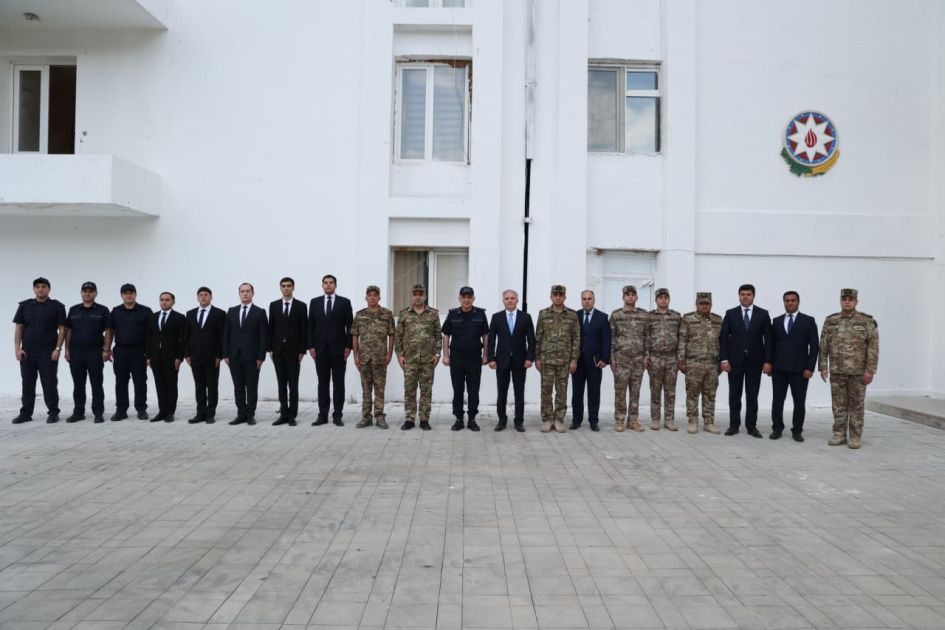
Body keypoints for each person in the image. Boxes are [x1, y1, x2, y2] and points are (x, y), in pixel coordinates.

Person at [819, 288, 879, 449]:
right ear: (840, 301)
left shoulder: (866, 321)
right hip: (837, 370)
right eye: (844, 299)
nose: (847, 302)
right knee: (838, 405)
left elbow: (873, 347)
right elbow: (823, 345)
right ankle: (839, 434)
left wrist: (870, 370)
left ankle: (854, 436)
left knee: (856, 405)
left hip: (858, 372)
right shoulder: (831, 321)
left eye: (850, 299)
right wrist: (823, 366)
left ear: (856, 301)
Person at [719, 284, 772, 437]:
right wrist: (724, 359)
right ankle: (734, 425)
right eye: (742, 294)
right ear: (739, 296)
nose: (745, 297)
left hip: (755, 361)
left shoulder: (763, 314)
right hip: (734, 361)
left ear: (753, 296)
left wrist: (768, 361)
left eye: (748, 294)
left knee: (752, 395)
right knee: (734, 395)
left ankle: (751, 426)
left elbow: (768, 339)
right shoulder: (731, 313)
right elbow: (723, 338)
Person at [12, 277, 66, 424]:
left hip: (48, 352)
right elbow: (19, 327)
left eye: (44, 286)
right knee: (27, 384)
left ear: (49, 289)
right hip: (27, 352)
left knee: (49, 383)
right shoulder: (25, 306)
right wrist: (17, 348)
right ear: (34, 289)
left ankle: (53, 412)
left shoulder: (57, 306)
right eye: (38, 287)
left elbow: (62, 329)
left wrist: (58, 349)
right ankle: (26, 413)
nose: (41, 289)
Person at [769, 291, 819, 442]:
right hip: (779, 369)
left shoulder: (808, 321)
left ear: (798, 302)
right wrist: (769, 363)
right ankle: (777, 428)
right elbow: (771, 345)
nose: (790, 303)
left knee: (799, 402)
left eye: (793, 300)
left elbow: (814, 346)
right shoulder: (776, 321)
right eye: (787, 300)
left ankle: (797, 430)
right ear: (784, 302)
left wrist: (810, 367)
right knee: (777, 401)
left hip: (800, 370)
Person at [442, 286, 489, 431]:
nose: (467, 300)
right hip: (457, 357)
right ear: (459, 298)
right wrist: (445, 355)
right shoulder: (452, 314)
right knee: (458, 389)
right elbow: (446, 335)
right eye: (464, 297)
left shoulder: (480, 314)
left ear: (473, 298)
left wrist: (485, 355)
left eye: (469, 297)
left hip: (474, 357)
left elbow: (485, 335)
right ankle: (459, 418)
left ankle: (472, 419)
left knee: (473, 390)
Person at [308, 274, 353, 426]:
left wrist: (348, 346)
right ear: (322, 285)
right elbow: (310, 325)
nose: (328, 285)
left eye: (331, 283)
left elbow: (350, 326)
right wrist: (311, 346)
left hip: (339, 350)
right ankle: (322, 415)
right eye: (325, 283)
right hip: (320, 350)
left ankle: (337, 415)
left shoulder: (344, 302)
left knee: (338, 383)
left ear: (335, 285)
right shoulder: (315, 302)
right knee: (323, 383)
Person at [487, 289, 534, 432]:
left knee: (519, 392)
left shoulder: (525, 317)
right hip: (501, 360)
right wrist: (491, 358)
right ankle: (502, 420)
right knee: (502, 392)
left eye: (512, 298)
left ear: (517, 300)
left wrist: (530, 358)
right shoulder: (497, 317)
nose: (509, 300)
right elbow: (491, 340)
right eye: (507, 298)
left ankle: (519, 421)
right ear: (503, 301)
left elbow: (531, 340)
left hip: (520, 361)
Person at [63, 281, 111, 423]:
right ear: (81, 293)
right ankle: (78, 412)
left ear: (95, 293)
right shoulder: (73, 310)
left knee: (96, 383)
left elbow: (108, 331)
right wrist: (66, 349)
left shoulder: (103, 310)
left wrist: (106, 349)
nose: (88, 293)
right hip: (76, 352)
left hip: (95, 352)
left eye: (91, 291)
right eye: (85, 291)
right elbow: (68, 331)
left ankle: (98, 413)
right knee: (78, 384)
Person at [395, 284, 441, 430]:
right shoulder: (404, 314)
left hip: (428, 360)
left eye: (420, 294)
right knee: (409, 390)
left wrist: (437, 354)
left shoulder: (433, 314)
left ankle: (424, 419)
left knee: (426, 391)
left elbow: (438, 335)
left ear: (425, 296)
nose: (418, 297)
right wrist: (399, 355)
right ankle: (409, 419)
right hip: (409, 360)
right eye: (415, 294)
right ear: (411, 296)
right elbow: (398, 336)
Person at [535, 285, 580, 433]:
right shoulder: (543, 314)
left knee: (562, 392)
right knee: (546, 391)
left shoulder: (572, 315)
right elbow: (538, 337)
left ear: (565, 297)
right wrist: (537, 358)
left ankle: (559, 419)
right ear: (551, 297)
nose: (558, 297)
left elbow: (576, 339)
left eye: (561, 295)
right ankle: (547, 419)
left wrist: (574, 360)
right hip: (546, 360)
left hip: (564, 361)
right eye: (555, 295)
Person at [677, 293, 723, 435]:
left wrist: (722, 361)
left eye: (706, 303)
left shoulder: (717, 320)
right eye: (701, 303)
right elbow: (682, 340)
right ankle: (692, 421)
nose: (704, 306)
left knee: (710, 394)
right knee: (692, 394)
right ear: (696, 304)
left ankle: (709, 422)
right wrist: (681, 360)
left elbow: (722, 342)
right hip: (693, 363)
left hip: (712, 364)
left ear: (711, 304)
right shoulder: (688, 319)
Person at [223, 283, 268, 425]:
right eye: (242, 291)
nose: (245, 293)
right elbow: (226, 334)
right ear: (239, 294)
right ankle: (241, 414)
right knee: (238, 386)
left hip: (252, 356)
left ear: (253, 293)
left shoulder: (260, 312)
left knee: (252, 387)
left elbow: (263, 336)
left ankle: (250, 415)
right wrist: (225, 354)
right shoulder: (231, 311)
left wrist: (261, 356)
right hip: (234, 355)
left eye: (248, 291)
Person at [352, 285, 395, 429]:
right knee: (366, 390)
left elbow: (391, 335)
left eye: (375, 295)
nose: (372, 298)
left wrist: (389, 353)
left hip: (380, 358)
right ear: (366, 297)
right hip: (364, 358)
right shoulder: (359, 315)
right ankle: (366, 417)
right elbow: (355, 335)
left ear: (379, 298)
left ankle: (380, 417)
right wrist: (355, 355)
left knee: (379, 389)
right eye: (369, 295)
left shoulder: (387, 314)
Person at [108, 284, 152, 421]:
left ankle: (141, 409)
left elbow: (151, 334)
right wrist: (107, 349)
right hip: (121, 351)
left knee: (140, 381)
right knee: (120, 381)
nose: (128, 295)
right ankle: (121, 410)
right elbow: (110, 331)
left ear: (135, 294)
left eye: (131, 293)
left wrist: (149, 354)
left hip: (139, 351)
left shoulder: (145, 311)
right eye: (125, 293)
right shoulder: (115, 311)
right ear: (121, 295)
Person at [269, 277, 308, 426]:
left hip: (294, 352)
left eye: (289, 286)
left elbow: (304, 329)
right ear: (280, 288)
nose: (286, 288)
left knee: (293, 384)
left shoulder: (301, 306)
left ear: (293, 287)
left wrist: (302, 350)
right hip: (278, 351)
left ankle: (292, 415)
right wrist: (270, 349)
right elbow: (271, 327)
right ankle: (283, 414)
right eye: (283, 286)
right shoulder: (274, 305)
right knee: (281, 384)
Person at [609, 285, 648, 432]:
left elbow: (647, 337)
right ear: (623, 297)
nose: (630, 297)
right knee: (620, 391)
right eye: (627, 294)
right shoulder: (616, 315)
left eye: (633, 294)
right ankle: (619, 419)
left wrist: (646, 356)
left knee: (635, 391)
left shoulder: (643, 315)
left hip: (638, 360)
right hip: (621, 360)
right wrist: (611, 357)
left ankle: (633, 420)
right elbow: (611, 338)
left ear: (636, 297)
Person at [570, 290, 610, 431]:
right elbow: (571, 338)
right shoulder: (575, 316)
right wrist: (571, 359)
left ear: (594, 300)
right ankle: (576, 420)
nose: (587, 301)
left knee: (594, 393)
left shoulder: (602, 317)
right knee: (577, 393)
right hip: (578, 362)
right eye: (584, 299)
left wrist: (605, 359)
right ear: (581, 300)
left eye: (589, 298)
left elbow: (606, 340)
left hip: (595, 362)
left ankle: (593, 421)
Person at [184, 287, 225, 424]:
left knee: (212, 386)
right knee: (199, 386)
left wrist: (219, 355)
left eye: (206, 295)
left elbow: (221, 336)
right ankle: (200, 413)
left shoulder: (219, 313)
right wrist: (187, 354)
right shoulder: (190, 314)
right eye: (200, 295)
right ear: (197, 297)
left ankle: (210, 413)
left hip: (212, 357)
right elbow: (187, 335)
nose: (203, 297)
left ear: (211, 297)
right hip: (195, 356)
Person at [145, 291, 187, 422]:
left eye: (167, 300)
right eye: (162, 300)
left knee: (171, 384)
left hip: (172, 357)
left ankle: (170, 412)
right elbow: (148, 337)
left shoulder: (179, 318)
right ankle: (162, 411)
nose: (164, 302)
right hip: (155, 357)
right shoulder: (153, 317)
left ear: (173, 302)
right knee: (159, 385)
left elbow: (183, 339)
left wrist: (179, 357)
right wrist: (148, 356)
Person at [645, 288, 682, 431]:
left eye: (666, 297)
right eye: (660, 298)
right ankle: (655, 419)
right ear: (656, 300)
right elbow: (646, 336)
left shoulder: (676, 316)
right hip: (655, 358)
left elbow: (681, 337)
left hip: (671, 358)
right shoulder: (650, 316)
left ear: (669, 299)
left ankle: (669, 420)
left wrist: (680, 357)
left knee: (670, 391)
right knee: (655, 390)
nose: (663, 300)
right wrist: (646, 355)